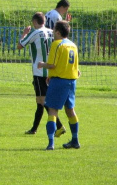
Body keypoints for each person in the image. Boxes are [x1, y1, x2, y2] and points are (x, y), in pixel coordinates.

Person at [17, 12, 65, 137]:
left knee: (42, 101)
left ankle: (59, 126)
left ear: (34, 22)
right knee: (40, 102)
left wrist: (24, 34)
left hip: (39, 72)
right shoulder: (51, 32)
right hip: (50, 70)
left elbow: (20, 45)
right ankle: (33, 129)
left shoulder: (35, 33)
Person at [37, 20, 81, 150]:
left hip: (59, 81)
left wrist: (42, 64)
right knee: (70, 110)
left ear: (58, 32)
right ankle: (75, 140)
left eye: (54, 30)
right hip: (71, 81)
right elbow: (77, 70)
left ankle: (51, 143)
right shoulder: (73, 45)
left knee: (52, 110)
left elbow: (53, 64)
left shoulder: (57, 44)